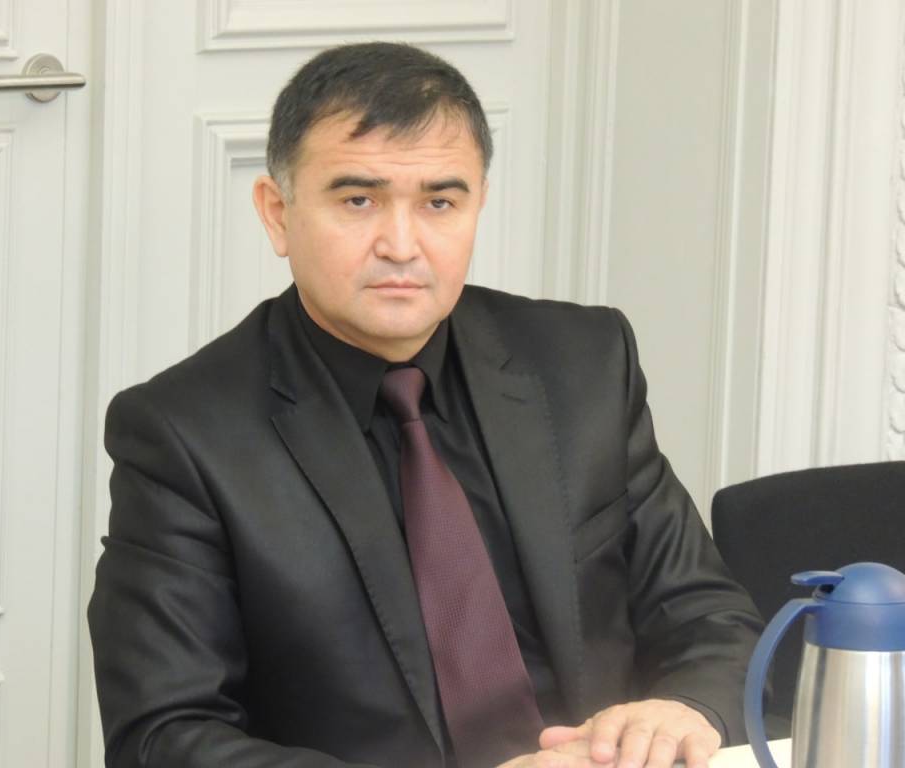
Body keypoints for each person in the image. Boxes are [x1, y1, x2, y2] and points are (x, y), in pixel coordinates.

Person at [88, 42, 763, 768]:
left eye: (440, 202)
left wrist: (685, 709)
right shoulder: (183, 434)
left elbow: (708, 614)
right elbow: (163, 734)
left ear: (477, 205)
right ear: (277, 214)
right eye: (358, 201)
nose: (402, 245)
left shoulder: (584, 362)